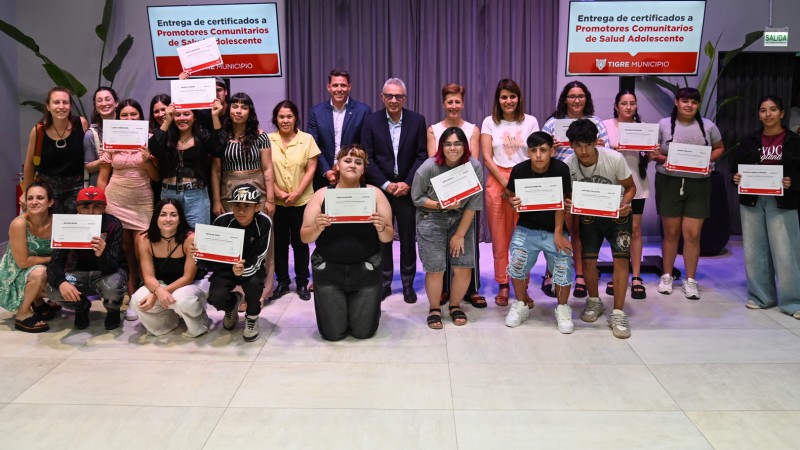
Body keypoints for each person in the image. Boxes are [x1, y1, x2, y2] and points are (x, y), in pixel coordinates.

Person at [300, 145, 394, 339]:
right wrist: (318, 227)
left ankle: (361, 307)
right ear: (337, 166)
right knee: (332, 334)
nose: (352, 165)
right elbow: (305, 236)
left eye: (358, 162)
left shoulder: (375, 194)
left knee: (363, 333)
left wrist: (381, 227)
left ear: (363, 169)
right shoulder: (321, 195)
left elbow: (388, 237)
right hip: (329, 272)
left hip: (366, 271)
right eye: (347, 161)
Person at [565, 119, 636, 339]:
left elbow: (630, 187)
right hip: (589, 217)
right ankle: (594, 300)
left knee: (621, 259)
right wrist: (568, 202)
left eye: (588, 144)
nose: (583, 151)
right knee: (587, 259)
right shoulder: (568, 165)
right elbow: (568, 195)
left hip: (617, 216)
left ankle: (618, 312)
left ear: (596, 141)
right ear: (571, 145)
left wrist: (625, 203)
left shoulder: (614, 158)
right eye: (578, 145)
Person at [731, 95, 800, 319]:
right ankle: (762, 297)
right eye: (763, 110)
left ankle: (793, 302)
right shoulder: (749, 140)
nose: (768, 114)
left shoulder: (794, 141)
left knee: (786, 251)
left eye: (773, 109)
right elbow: (735, 168)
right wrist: (736, 178)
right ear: (759, 115)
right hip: (752, 199)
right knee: (754, 249)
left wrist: (792, 182)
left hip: (783, 200)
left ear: (782, 113)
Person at [653, 87, 725, 300]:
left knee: (692, 234)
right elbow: (652, 152)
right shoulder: (663, 124)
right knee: (671, 232)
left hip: (699, 185)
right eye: (685, 101)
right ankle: (667, 276)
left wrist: (706, 159)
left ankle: (690, 280)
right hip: (668, 182)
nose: (689, 105)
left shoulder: (709, 126)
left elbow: (720, 148)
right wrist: (669, 160)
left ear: (698, 105)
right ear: (676, 102)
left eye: (693, 102)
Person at [362, 78, 428, 304]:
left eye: (398, 96)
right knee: (382, 237)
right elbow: (367, 157)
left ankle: (408, 284)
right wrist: (385, 184)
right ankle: (384, 282)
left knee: (408, 239)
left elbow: (421, 155)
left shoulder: (417, 121)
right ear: (382, 98)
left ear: (404, 98)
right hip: (382, 191)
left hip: (407, 191)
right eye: (389, 96)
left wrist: (407, 183)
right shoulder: (371, 121)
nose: (393, 100)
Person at [542, 81, 608, 299]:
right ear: (565, 99)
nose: (576, 100)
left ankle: (579, 274)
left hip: (587, 183)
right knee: (556, 229)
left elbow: (607, 150)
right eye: (572, 96)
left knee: (580, 232)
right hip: (558, 182)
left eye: (580, 96)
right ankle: (551, 273)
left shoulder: (596, 123)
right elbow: (540, 152)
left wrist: (598, 145)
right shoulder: (553, 123)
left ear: (586, 98)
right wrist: (551, 147)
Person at [412, 127, 483, 328]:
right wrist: (441, 205)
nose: (453, 148)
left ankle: (455, 305)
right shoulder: (429, 167)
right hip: (431, 217)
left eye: (457, 144)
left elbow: (473, 204)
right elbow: (417, 198)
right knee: (435, 268)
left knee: (463, 266)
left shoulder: (474, 166)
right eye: (448, 144)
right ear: (441, 147)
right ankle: (434, 308)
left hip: (462, 218)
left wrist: (460, 234)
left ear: (465, 146)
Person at [504, 132, 575, 333]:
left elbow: (561, 202)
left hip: (555, 228)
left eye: (543, 150)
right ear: (528, 152)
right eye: (533, 150)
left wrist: (559, 233)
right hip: (526, 228)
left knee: (563, 265)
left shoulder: (561, 169)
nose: (538, 155)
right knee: (517, 261)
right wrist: (511, 201)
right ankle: (521, 304)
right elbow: (508, 195)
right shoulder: (519, 170)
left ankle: (563, 308)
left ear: (552, 151)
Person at [211, 92, 276, 305]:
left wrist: (270, 199)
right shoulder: (221, 136)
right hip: (229, 191)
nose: (238, 111)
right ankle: (237, 291)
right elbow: (216, 171)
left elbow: (268, 168)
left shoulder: (260, 136)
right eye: (235, 106)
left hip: (257, 189)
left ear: (250, 112)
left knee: (262, 241)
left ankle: (261, 291)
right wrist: (216, 200)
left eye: (244, 107)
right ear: (228, 109)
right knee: (233, 242)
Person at [480, 78, 540, 306]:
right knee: (500, 238)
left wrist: (515, 183)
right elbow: (487, 158)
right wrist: (506, 184)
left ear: (519, 98)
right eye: (504, 97)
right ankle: (503, 284)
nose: (508, 101)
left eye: (512, 96)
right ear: (498, 99)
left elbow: (535, 153)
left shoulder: (530, 121)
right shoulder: (489, 122)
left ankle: (522, 284)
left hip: (525, 180)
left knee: (524, 238)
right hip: (497, 181)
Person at [427, 83, 484, 308]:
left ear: (463, 103)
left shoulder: (473, 130)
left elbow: (472, 163)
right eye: (449, 101)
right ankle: (443, 288)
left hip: (467, 193)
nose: (453, 105)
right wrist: (448, 194)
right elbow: (434, 162)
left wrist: (461, 192)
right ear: (443, 104)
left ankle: (472, 289)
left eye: (457, 101)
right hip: (441, 194)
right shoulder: (433, 130)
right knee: (443, 243)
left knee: (468, 243)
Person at [97, 99, 159, 301]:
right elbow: (103, 177)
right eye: (124, 115)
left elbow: (156, 177)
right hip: (116, 200)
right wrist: (99, 206)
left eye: (134, 114)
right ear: (119, 118)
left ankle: (149, 291)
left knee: (143, 250)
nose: (129, 118)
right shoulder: (111, 139)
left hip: (142, 201)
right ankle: (132, 296)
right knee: (126, 251)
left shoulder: (150, 139)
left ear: (141, 116)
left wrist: (147, 159)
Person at [45, 186, 127, 330]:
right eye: (85, 206)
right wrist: (61, 282)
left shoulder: (112, 225)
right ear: (77, 208)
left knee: (112, 286)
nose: (91, 211)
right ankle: (81, 307)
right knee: (52, 290)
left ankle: (113, 310)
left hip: (105, 273)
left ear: (104, 208)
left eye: (97, 206)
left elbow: (113, 267)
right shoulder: (67, 224)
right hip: (77, 273)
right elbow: (55, 263)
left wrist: (101, 254)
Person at [198, 184, 272, 341]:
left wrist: (243, 269)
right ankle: (231, 305)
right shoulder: (222, 221)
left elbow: (260, 256)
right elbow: (210, 255)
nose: (241, 210)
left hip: (250, 266)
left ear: (257, 207)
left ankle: (252, 317)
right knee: (215, 297)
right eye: (237, 205)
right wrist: (198, 253)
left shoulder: (264, 222)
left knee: (255, 285)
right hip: (226, 268)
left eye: (247, 206)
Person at [603, 90, 657, 300]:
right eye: (624, 103)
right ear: (616, 106)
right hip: (612, 187)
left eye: (632, 103)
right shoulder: (605, 126)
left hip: (637, 185)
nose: (628, 107)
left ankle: (635, 276)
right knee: (615, 231)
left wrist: (652, 153)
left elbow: (648, 157)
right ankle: (618, 274)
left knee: (634, 230)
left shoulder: (643, 129)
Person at [131, 199, 210, 337]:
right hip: (161, 284)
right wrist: (158, 290)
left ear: (180, 219)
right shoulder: (144, 239)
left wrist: (156, 294)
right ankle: (167, 322)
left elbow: (188, 277)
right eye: (163, 214)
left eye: (173, 215)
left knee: (182, 300)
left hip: (191, 284)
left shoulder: (190, 238)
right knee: (137, 300)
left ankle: (199, 324)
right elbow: (148, 276)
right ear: (156, 218)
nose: (168, 219)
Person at [268, 100, 319, 301]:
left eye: (289, 116)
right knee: (279, 244)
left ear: (296, 117)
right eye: (281, 116)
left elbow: (311, 168)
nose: (285, 120)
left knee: (300, 243)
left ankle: (302, 282)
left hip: (302, 201)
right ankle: (282, 282)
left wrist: (296, 193)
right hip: (277, 202)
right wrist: (277, 192)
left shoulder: (307, 139)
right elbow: (265, 169)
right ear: (276, 119)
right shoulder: (268, 140)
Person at [149, 100, 225, 228]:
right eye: (177, 115)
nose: (182, 118)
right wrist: (167, 120)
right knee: (170, 235)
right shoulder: (167, 137)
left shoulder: (202, 136)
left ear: (194, 117)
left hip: (196, 195)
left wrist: (215, 116)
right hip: (169, 194)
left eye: (186, 114)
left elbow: (219, 148)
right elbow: (154, 149)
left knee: (197, 236)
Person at [22, 87, 90, 214]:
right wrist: (27, 192)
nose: (61, 106)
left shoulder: (81, 124)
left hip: (76, 189)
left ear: (70, 106)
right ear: (48, 106)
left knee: (73, 225)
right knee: (48, 225)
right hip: (46, 190)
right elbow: (29, 164)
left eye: (65, 102)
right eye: (56, 102)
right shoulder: (38, 131)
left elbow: (90, 156)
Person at [0, 182, 56, 333]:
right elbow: (23, 262)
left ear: (50, 202)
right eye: (30, 198)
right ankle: (23, 313)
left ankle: (37, 301)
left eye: (40, 198)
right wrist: (52, 260)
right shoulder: (19, 223)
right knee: (40, 272)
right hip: (15, 271)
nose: (34, 202)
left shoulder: (57, 222)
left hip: (39, 265)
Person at [307, 68, 371, 191]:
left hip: (353, 175)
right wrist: (327, 171)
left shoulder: (363, 111)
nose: (339, 89)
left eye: (343, 85)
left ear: (349, 87)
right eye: (335, 85)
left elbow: (364, 145)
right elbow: (313, 145)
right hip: (323, 177)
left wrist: (345, 168)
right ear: (329, 87)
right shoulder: (316, 112)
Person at [84, 86, 119, 186]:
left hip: (128, 183)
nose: (104, 103)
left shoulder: (130, 128)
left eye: (107, 99)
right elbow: (89, 167)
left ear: (116, 103)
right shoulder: (91, 134)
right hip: (101, 185)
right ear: (95, 106)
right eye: (99, 101)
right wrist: (102, 160)